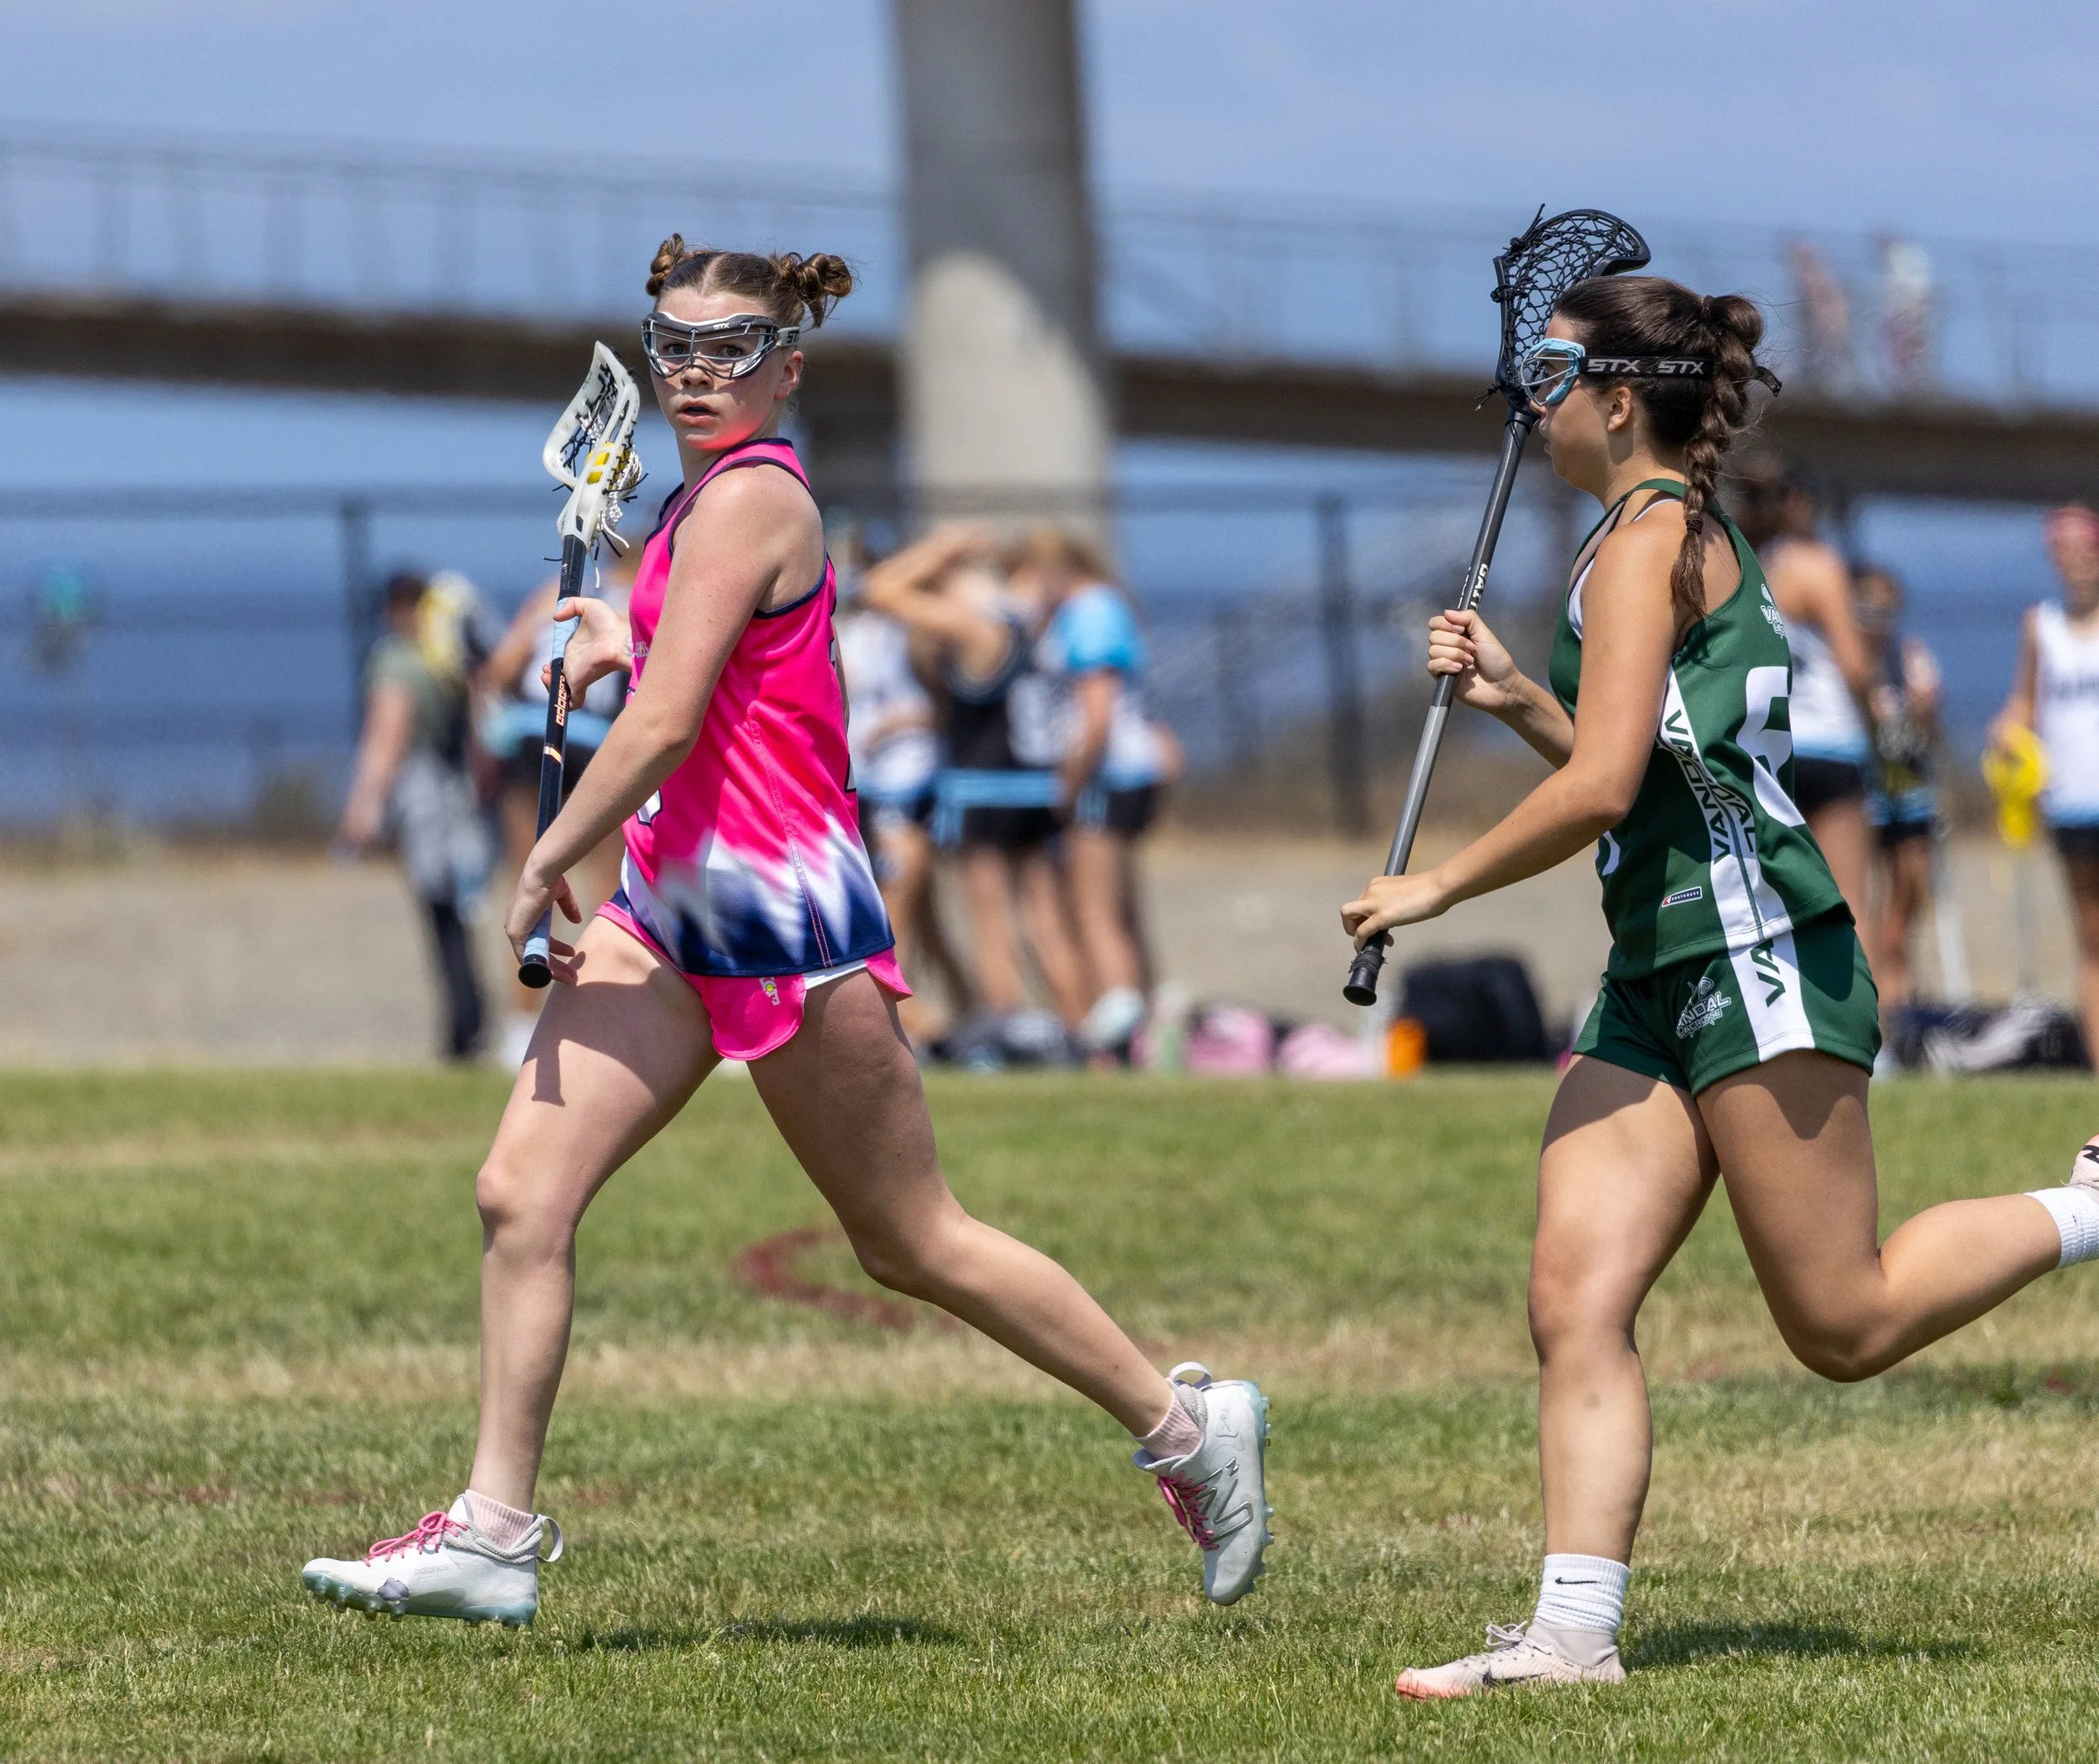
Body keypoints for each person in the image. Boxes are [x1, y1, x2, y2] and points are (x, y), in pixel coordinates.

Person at [301, 236, 1269, 1626]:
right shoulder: (699, 510)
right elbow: (715, 674)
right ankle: (494, 1532)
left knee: (911, 1239)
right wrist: (619, 642)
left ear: (788, 368)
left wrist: (543, 861)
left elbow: (675, 721)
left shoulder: (751, 497)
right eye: (674, 345)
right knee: (521, 1193)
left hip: (785, 918)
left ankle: (1189, 1430)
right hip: (667, 909)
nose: (696, 372)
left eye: (731, 348)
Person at [1341, 275, 2098, 1699]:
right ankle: (1573, 1632)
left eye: (1552, 373)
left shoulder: (1647, 541)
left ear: (1621, 400)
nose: (1533, 399)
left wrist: (1434, 886)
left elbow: (1610, 788)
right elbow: (1645, 767)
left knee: (1845, 1325)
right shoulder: (1632, 538)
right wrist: (1519, 699)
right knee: (1576, 1291)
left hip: (1755, 951)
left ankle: (2089, 1205)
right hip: (1656, 963)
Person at [861, 526, 1092, 1032]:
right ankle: (1084, 1041)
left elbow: (880, 590)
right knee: (1048, 925)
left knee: (993, 929)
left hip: (985, 793)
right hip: (1035, 787)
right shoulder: (1027, 627)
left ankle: (1005, 1033)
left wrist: (939, 548)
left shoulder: (977, 628)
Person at [1008, 525, 1175, 1056]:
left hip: (1107, 775)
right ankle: (1151, 1021)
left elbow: (1097, 715)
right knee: (1123, 910)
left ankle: (1124, 1029)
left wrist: (1069, 782)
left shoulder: (1089, 613)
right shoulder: (1104, 607)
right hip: (1129, 770)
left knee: (1096, 913)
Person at [478, 554, 636, 1065]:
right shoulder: (642, 598)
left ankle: (520, 1029)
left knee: (531, 879)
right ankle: (612, 1020)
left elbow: (502, 667)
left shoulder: (556, 592)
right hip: (598, 744)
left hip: (535, 734)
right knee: (609, 889)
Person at [338, 570, 496, 1061]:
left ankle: (460, 1031)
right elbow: (481, 730)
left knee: (439, 913)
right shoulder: (448, 657)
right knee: (462, 913)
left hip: (422, 794)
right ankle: (473, 1020)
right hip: (460, 796)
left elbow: (387, 736)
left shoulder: (395, 660)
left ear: (393, 609)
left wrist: (362, 808)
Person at [1733, 458, 1879, 955]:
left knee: (1775, 909)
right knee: (1849, 905)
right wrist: (1881, 724)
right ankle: (1863, 1031)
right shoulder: (1817, 565)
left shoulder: (1735, 565)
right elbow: (1856, 669)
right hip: (1832, 744)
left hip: (1769, 748)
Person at [835, 573, 974, 1038]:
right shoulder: (854, 630)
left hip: (910, 786)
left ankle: (906, 1015)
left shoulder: (921, 633)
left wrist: (897, 724)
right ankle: (965, 1010)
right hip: (871, 786)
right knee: (919, 913)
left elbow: (947, 706)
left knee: (899, 908)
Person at [1994, 503, 2099, 1062]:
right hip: (2073, 803)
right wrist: (2007, 730)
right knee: (2090, 936)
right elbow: (2026, 700)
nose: (2076, 562)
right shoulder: (2043, 624)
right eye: (2063, 551)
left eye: (2085, 549)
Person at [1855, 565, 1943, 1018]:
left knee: (1908, 900)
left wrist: (1927, 709)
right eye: (1867, 605)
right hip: (1864, 796)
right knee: (1861, 899)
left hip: (1909, 792)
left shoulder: (1910, 657)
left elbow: (1929, 735)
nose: (1875, 615)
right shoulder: (1846, 660)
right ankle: (1875, 1007)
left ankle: (1900, 1002)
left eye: (1884, 607)